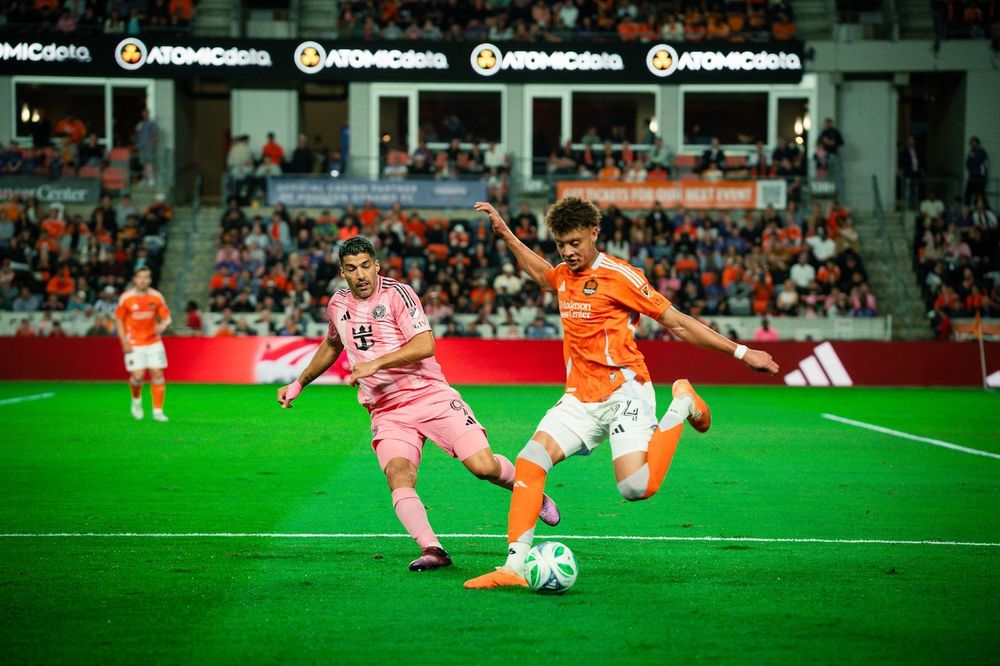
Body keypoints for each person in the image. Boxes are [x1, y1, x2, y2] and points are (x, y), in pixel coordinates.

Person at [463, 198, 778, 589]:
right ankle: (514, 567)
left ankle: (683, 403)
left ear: (594, 233)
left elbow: (677, 323)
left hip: (625, 393)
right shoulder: (564, 275)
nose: (568, 252)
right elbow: (543, 274)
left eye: (575, 242)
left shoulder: (621, 276)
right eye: (561, 244)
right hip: (579, 398)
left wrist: (742, 353)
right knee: (530, 461)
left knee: (636, 488)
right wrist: (506, 234)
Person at [276, 236, 561, 572]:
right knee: (399, 474)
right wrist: (299, 382)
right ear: (342, 272)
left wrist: (376, 364)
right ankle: (433, 549)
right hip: (386, 410)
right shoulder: (337, 304)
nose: (360, 274)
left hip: (430, 396)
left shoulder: (398, 294)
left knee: (483, 467)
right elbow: (332, 344)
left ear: (377, 265)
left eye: (366, 266)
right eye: (351, 269)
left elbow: (425, 344)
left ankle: (531, 492)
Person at [114, 266, 172, 422]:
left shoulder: (156, 297)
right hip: (134, 342)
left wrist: (162, 325)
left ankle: (158, 411)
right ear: (135, 279)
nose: (143, 280)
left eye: (146, 277)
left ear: (150, 280)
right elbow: (119, 320)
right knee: (138, 377)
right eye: (140, 277)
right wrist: (123, 341)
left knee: (158, 373)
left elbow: (167, 317)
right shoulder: (126, 298)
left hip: (153, 341)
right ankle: (136, 401)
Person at [135, 109, 159, 186]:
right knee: (143, 163)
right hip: (141, 146)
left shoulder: (152, 123)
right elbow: (138, 135)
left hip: (149, 147)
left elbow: (155, 135)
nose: (144, 115)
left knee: (150, 162)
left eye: (145, 113)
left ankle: (152, 179)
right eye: (143, 114)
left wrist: (153, 145)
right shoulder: (141, 124)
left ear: (148, 114)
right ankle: (145, 178)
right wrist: (137, 131)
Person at [964, 137, 989, 205]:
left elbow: (980, 163)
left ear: (977, 143)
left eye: (974, 143)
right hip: (972, 176)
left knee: (980, 194)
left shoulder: (982, 152)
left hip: (980, 177)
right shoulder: (971, 152)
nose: (972, 145)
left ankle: (984, 207)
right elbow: (968, 163)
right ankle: (967, 207)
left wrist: (984, 177)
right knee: (968, 193)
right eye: (971, 143)